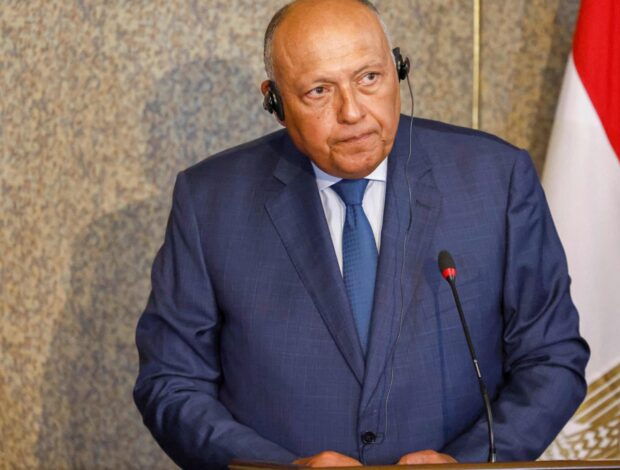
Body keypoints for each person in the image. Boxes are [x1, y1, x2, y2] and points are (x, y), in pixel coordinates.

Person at [133, 0, 589, 468]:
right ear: (276, 102)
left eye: (369, 77)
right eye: (318, 91)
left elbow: (552, 360)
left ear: (398, 70)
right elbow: (171, 383)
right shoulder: (209, 202)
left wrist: (467, 464)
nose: (352, 111)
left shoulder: (496, 178)